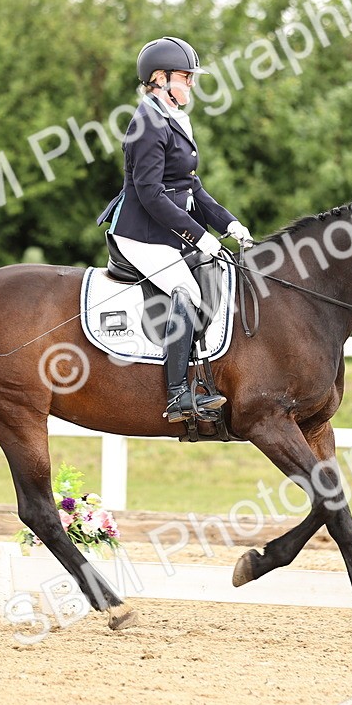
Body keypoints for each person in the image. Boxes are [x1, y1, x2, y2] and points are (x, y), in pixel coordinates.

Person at [97, 36, 254, 423]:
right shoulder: (147, 124)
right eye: (186, 76)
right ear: (159, 78)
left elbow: (191, 186)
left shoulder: (172, 118)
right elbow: (150, 194)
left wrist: (229, 223)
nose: (192, 83)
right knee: (187, 291)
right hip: (140, 235)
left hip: (165, 233)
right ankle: (178, 395)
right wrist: (199, 236)